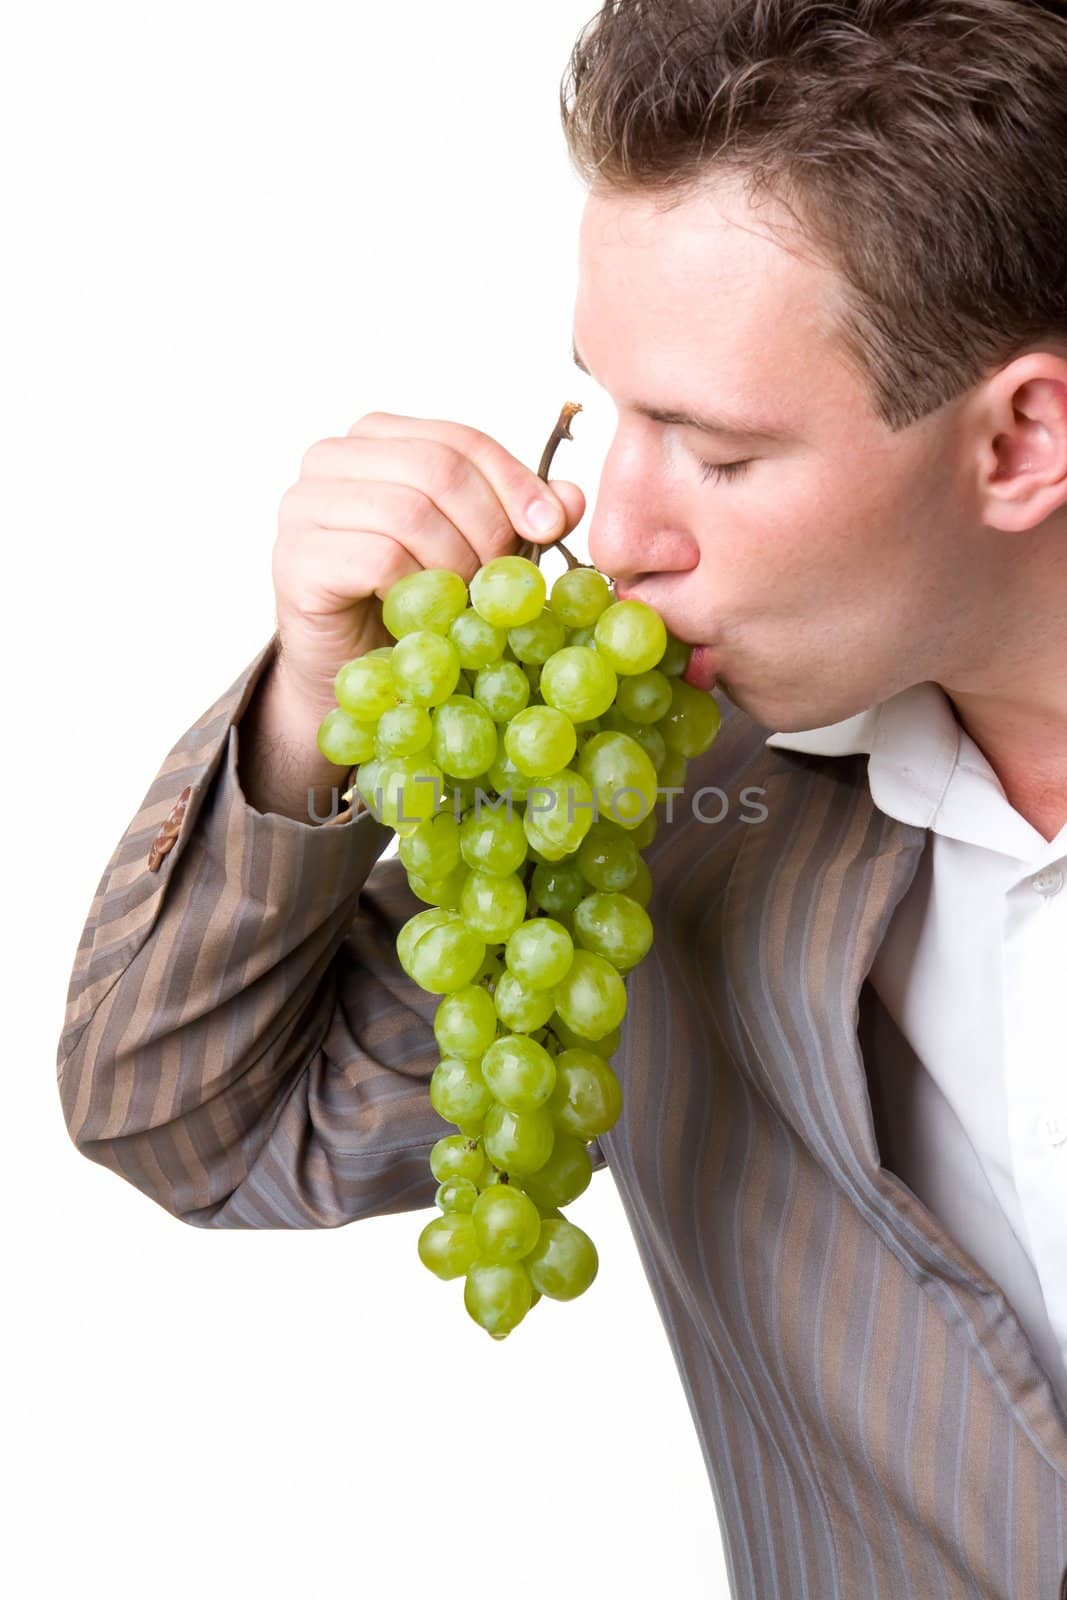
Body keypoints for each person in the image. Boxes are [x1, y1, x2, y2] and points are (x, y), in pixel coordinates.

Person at [56, 1, 1067, 1594]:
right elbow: (189, 1120)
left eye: (717, 454)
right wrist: (315, 708)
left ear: (1021, 438)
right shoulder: (648, 809)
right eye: (612, 408)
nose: (615, 540)